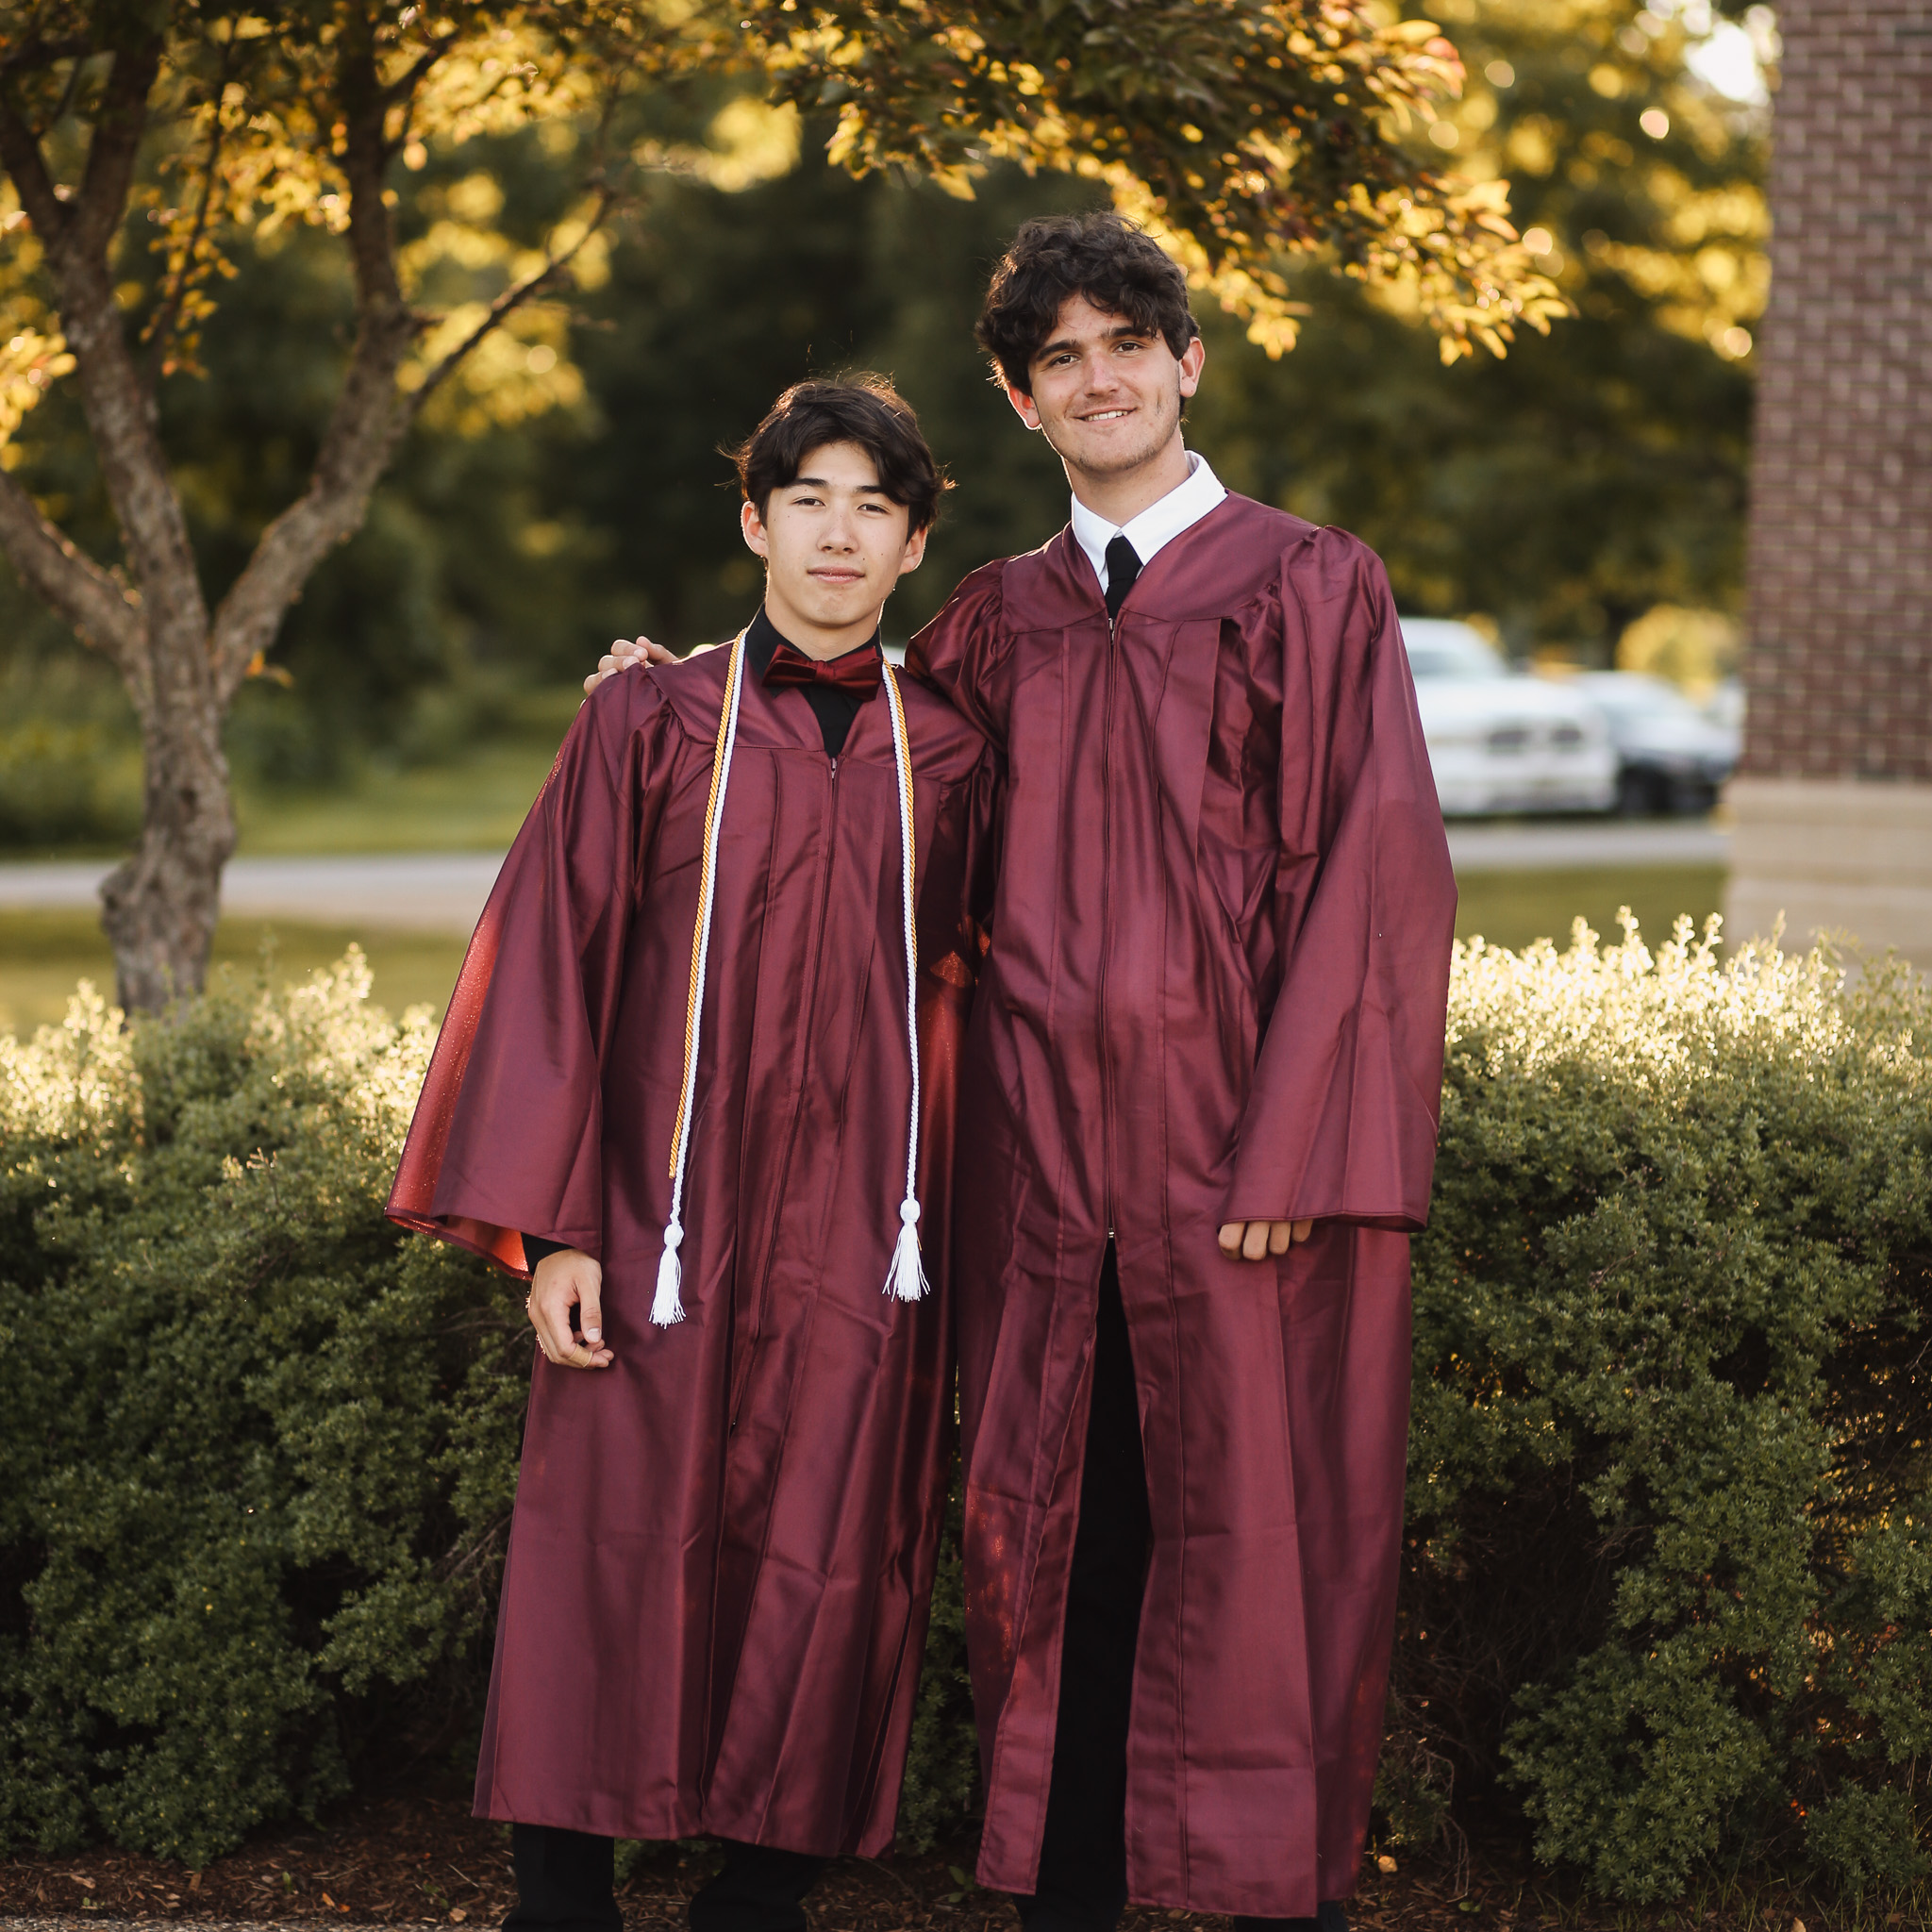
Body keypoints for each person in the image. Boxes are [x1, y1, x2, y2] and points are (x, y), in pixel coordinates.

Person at [598, 216, 1457, 1931]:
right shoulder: (996, 621)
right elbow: (862, 787)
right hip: (1039, 1172)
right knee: (1057, 1529)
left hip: (1243, 1171)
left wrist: (1297, 1155)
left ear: (1187, 361)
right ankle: (1068, 1890)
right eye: (1059, 355)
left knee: (1267, 1526)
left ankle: (1275, 1891)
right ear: (1022, 399)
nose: (1101, 373)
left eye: (1127, 340)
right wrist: (671, 693)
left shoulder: (1310, 581)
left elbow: (1380, 880)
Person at [391, 375, 997, 1932]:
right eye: (809, 500)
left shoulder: (956, 756)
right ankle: (563, 1895)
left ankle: (760, 1891)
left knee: (829, 1538)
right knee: (609, 1535)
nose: (839, 533)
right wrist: (557, 1228)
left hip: (867, 1226)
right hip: (660, 1214)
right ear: (755, 522)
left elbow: (999, 985)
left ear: (917, 541)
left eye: (875, 506)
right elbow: (552, 967)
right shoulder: (649, 720)